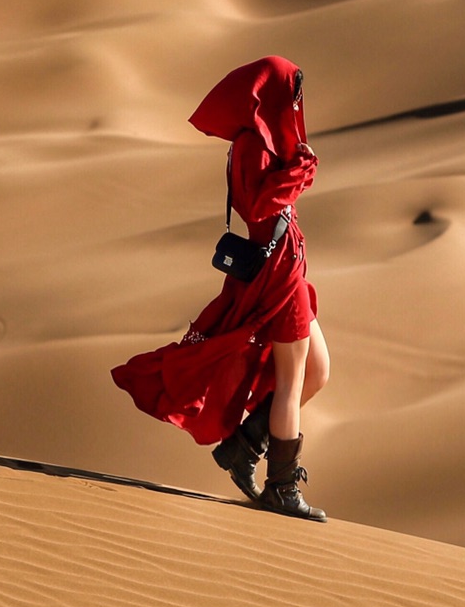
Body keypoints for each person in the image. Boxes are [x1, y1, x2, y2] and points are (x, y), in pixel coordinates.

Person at [110, 56, 330, 521]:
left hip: (289, 267)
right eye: (291, 93)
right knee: (292, 382)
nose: (296, 103)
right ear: (268, 95)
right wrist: (301, 173)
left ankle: (244, 446)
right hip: (277, 275)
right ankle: (281, 486)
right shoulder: (251, 146)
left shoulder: (269, 140)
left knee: (318, 372)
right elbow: (259, 206)